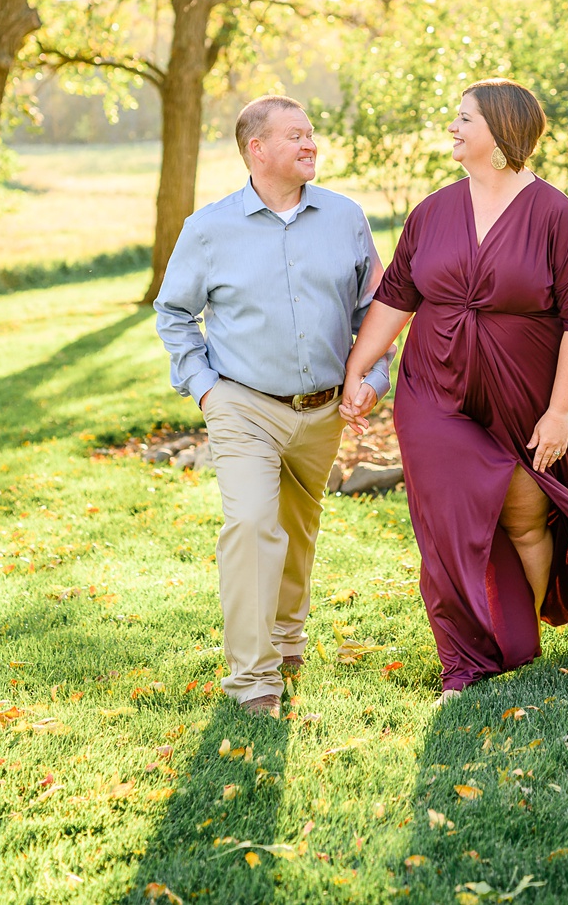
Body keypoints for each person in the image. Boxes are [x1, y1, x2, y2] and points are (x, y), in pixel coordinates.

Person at [341, 78, 568, 700]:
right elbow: (396, 299)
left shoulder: (560, 218)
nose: (451, 127)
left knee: (527, 519)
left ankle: (518, 640)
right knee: (447, 522)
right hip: (434, 387)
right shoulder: (433, 211)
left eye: (463, 119)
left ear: (500, 136)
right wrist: (357, 373)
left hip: (526, 392)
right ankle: (466, 660)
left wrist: (559, 413)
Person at [155, 94, 391, 716]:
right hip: (243, 404)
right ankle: (252, 679)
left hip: (323, 410)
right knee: (253, 525)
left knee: (297, 529)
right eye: (295, 135)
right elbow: (174, 313)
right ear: (256, 149)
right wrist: (203, 386)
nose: (311, 143)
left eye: (312, 133)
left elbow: (376, 311)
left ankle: (287, 640)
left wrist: (374, 374)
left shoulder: (346, 218)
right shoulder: (209, 228)